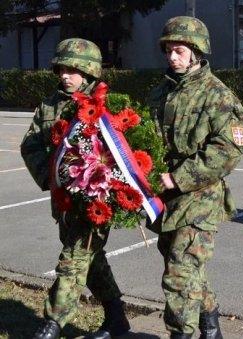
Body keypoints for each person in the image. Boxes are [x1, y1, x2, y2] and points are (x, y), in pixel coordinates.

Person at [146, 16, 243, 339]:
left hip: (200, 196)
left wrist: (180, 177)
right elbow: (144, 141)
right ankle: (210, 323)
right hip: (166, 198)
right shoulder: (161, 92)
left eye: (178, 51)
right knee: (187, 268)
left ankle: (182, 333)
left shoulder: (217, 95)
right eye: (168, 51)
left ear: (195, 51)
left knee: (178, 274)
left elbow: (230, 148)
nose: (172, 57)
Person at [21, 38, 130, 339]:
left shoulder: (105, 104)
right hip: (63, 203)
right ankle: (117, 317)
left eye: (72, 70)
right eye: (61, 69)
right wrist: (51, 177)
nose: (65, 76)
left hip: (95, 202)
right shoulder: (49, 106)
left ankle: (52, 324)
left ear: (90, 72)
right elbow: (30, 145)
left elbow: (125, 152)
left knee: (73, 260)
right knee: (90, 260)